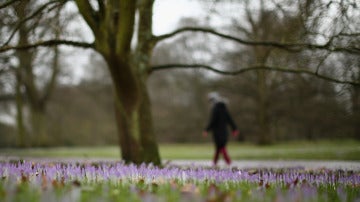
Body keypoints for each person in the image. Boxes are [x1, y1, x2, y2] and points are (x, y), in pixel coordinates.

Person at [203, 92, 239, 166]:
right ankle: (215, 162)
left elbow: (213, 121)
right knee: (219, 147)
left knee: (221, 147)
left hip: (217, 132)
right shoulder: (224, 108)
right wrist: (234, 128)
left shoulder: (215, 109)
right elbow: (230, 119)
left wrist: (206, 130)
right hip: (224, 131)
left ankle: (228, 162)